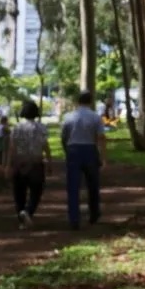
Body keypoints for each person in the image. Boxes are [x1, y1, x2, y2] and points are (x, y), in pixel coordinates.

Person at [60, 91, 106, 230]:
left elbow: (63, 136)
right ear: (91, 101)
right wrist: (103, 157)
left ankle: (74, 218)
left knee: (73, 186)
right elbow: (101, 138)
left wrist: (66, 150)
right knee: (93, 184)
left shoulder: (68, 117)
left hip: (73, 149)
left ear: (77, 102)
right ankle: (94, 213)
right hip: (90, 149)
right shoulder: (95, 117)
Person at [6, 100, 50, 229]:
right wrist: (49, 161)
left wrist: (8, 165)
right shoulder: (41, 128)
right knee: (36, 190)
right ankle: (29, 211)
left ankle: (21, 217)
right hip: (36, 163)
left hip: (20, 163)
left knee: (19, 192)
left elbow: (12, 148)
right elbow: (45, 146)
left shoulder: (16, 128)